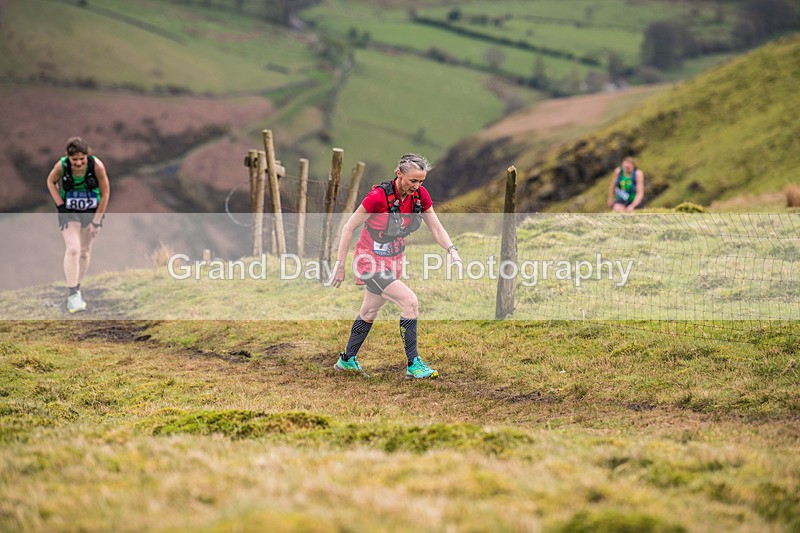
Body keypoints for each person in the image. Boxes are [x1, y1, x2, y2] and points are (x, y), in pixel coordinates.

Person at [331, 153, 462, 379]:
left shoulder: (420, 196)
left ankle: (347, 360)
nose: (417, 186)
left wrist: (452, 251)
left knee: (370, 311)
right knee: (409, 302)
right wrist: (340, 265)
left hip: (392, 260)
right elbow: (348, 228)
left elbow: (436, 228)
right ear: (398, 173)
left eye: (421, 181)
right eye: (413, 181)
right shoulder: (377, 198)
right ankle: (414, 364)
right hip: (368, 260)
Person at [46, 137, 111, 313]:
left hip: (92, 212)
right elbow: (50, 181)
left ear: (87, 156)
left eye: (82, 159)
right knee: (73, 249)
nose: (79, 163)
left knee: (84, 252)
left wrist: (97, 221)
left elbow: (105, 193)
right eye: (75, 160)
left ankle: (77, 286)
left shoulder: (96, 166)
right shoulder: (62, 166)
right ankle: (73, 294)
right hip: (70, 212)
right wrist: (60, 205)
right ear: (68, 157)